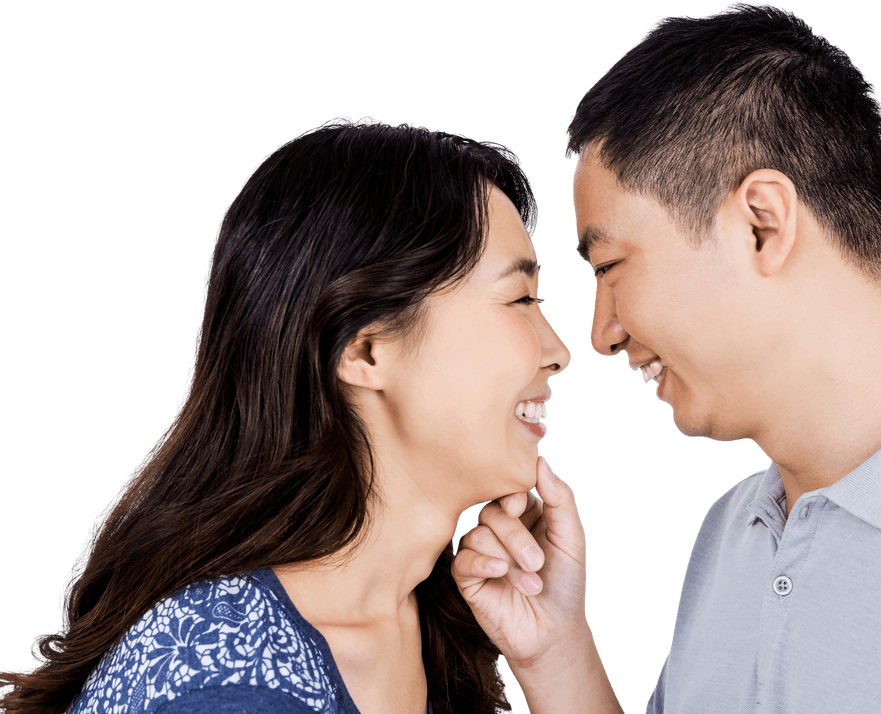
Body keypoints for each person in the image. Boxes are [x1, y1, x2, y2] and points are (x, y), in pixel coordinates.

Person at [452, 4, 881, 712]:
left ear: (762, 224)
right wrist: (559, 653)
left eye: (610, 266)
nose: (602, 334)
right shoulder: (734, 532)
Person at [0, 117, 577, 714]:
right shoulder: (228, 689)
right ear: (365, 349)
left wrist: (556, 653)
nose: (558, 351)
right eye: (520, 299)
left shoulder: (429, 630)